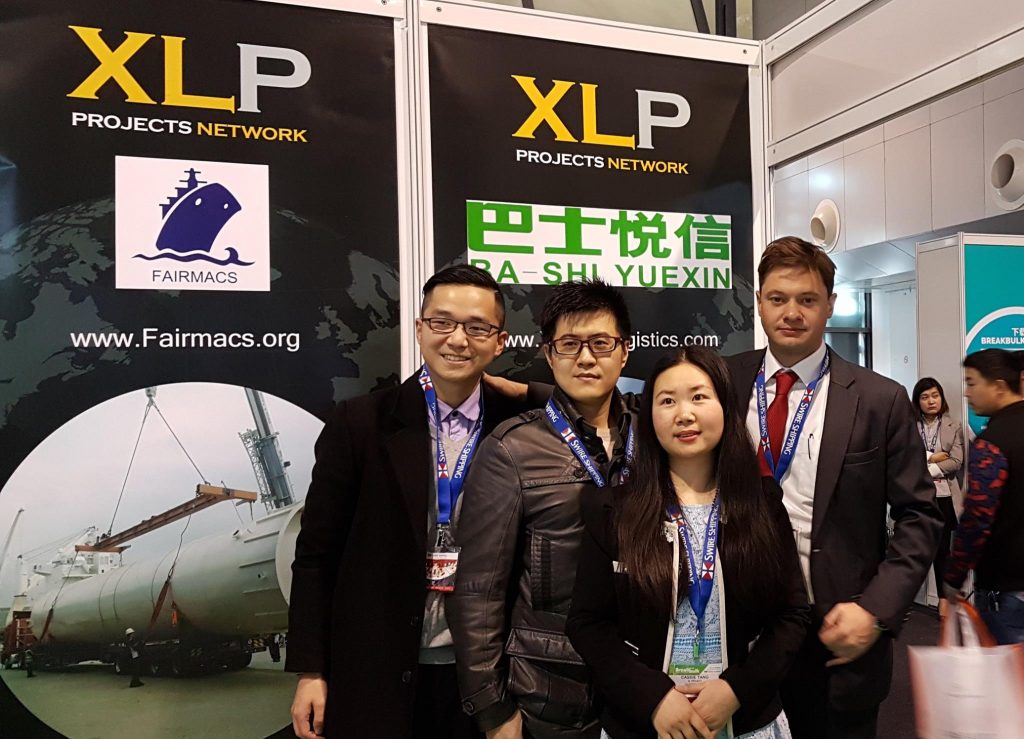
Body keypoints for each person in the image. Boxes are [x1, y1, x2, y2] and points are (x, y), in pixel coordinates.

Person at [286, 265, 546, 739]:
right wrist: (311, 670)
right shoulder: (359, 424)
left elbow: (597, 409)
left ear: (500, 342)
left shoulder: (524, 424)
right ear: (420, 329)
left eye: (477, 328)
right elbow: (316, 555)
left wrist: (529, 390)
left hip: (489, 677)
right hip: (375, 670)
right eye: (442, 322)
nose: (458, 340)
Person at [724, 236, 941, 739]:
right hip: (741, 630)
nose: (791, 312)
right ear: (759, 303)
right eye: (777, 298)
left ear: (830, 304)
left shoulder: (880, 399)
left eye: (807, 299)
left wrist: (877, 610)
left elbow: (920, 516)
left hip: (838, 630)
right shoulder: (722, 382)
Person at [567, 347, 809, 739]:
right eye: (667, 401)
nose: (684, 414)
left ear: (725, 406)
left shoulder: (762, 505)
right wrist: (653, 699)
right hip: (645, 722)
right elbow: (588, 624)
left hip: (745, 719)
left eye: (699, 396)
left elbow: (791, 615)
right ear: (650, 416)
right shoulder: (614, 510)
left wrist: (736, 689)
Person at [449, 279, 636, 739]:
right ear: (549, 355)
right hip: (550, 695)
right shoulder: (511, 450)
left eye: (601, 343)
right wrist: (492, 709)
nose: (586, 358)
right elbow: (476, 592)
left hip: (644, 686)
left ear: (624, 352)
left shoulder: (653, 437)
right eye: (569, 344)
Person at [944, 349, 1024, 645]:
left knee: (1009, 670)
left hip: (1007, 587)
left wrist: (954, 576)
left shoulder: (992, 443)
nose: (967, 393)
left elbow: (977, 517)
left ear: (999, 386)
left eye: (972, 382)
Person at [910, 377, 964, 614]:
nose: (931, 401)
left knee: (942, 550)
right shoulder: (909, 426)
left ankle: (943, 598)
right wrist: (932, 457)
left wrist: (925, 467)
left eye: (935, 395)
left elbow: (956, 462)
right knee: (916, 546)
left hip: (944, 497)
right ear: (917, 401)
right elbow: (906, 457)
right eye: (925, 397)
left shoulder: (954, 426)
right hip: (916, 495)